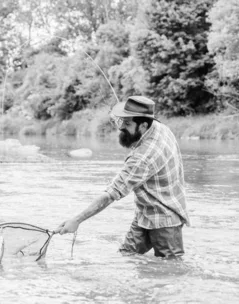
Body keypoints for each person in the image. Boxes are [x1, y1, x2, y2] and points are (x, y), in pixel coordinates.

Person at [54, 96, 190, 259]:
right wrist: (125, 123)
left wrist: (76, 220)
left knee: (171, 268)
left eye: (127, 124)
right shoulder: (158, 127)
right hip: (146, 213)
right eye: (121, 121)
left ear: (143, 125)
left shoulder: (142, 158)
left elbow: (111, 194)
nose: (121, 128)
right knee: (126, 256)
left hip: (165, 219)